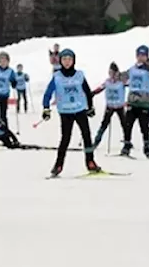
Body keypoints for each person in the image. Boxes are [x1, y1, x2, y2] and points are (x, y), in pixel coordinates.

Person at [41, 48, 101, 177]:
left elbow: (87, 92)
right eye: (64, 59)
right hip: (65, 112)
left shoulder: (79, 75)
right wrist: (46, 108)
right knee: (65, 139)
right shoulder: (57, 76)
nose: (67, 62)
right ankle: (58, 165)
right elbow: (47, 94)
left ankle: (90, 162)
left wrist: (90, 107)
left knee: (87, 136)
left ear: (73, 61)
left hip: (80, 110)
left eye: (69, 59)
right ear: (60, 61)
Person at [121, 45, 149, 159]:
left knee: (144, 127)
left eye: (143, 55)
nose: (141, 57)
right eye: (139, 55)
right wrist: (117, 74)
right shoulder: (133, 68)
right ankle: (127, 145)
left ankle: (146, 147)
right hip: (132, 101)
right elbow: (124, 77)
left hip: (144, 102)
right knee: (128, 124)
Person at [91, 62, 128, 148]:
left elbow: (131, 85)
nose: (110, 74)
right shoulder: (107, 82)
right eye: (109, 72)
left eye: (112, 72)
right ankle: (96, 141)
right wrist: (92, 93)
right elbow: (100, 88)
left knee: (125, 124)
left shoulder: (122, 82)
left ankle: (127, 142)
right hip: (110, 106)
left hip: (119, 107)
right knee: (104, 124)